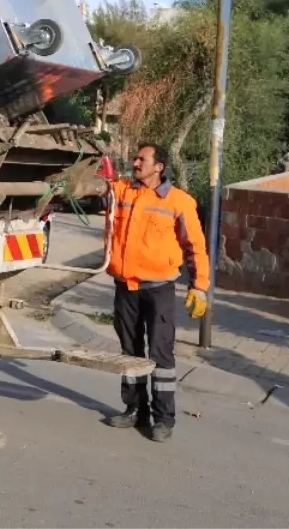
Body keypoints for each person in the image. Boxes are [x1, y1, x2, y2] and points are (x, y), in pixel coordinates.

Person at [103, 143, 210, 442]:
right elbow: (98, 186)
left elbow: (195, 247)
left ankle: (164, 419)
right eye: (135, 158)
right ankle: (135, 411)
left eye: (142, 159)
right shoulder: (122, 191)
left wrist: (199, 286)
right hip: (125, 288)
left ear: (159, 166)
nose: (135, 163)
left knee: (160, 355)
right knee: (130, 353)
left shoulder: (179, 202)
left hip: (158, 290)